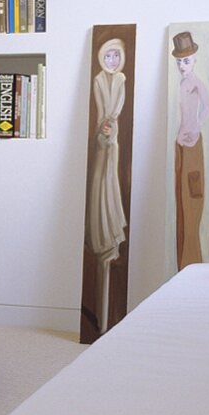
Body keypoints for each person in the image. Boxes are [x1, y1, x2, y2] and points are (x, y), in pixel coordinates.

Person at [87, 37, 127, 333]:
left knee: (109, 193)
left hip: (111, 152)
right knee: (100, 199)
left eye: (117, 55)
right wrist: (105, 132)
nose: (112, 60)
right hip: (102, 154)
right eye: (108, 55)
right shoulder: (100, 81)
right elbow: (103, 120)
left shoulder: (121, 80)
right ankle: (99, 323)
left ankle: (106, 322)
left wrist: (111, 133)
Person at [172, 31, 209, 270]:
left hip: (193, 145)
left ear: (195, 59)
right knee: (180, 205)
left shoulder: (196, 83)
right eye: (178, 61)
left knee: (192, 201)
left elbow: (207, 107)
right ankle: (181, 263)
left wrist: (195, 127)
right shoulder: (182, 83)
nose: (182, 65)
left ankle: (192, 261)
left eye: (186, 61)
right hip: (180, 145)